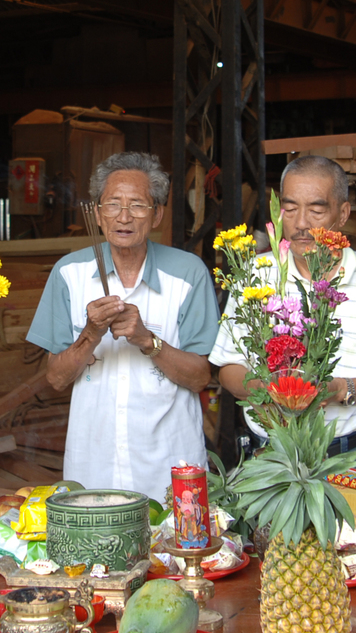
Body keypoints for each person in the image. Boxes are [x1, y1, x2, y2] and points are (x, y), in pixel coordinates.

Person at [209, 155, 356, 473]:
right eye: (290, 209)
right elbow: (227, 368)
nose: (301, 223)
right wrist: (270, 392)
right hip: (270, 459)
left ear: (342, 214)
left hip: (351, 460)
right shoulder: (257, 274)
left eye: (317, 210)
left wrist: (340, 389)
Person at [27, 152, 219, 501]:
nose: (124, 217)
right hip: (93, 466)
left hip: (171, 466)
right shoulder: (68, 274)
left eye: (138, 206)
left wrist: (148, 340)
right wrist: (91, 334)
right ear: (98, 214)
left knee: (173, 554)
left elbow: (200, 377)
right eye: (112, 205)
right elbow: (55, 379)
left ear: (157, 214)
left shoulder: (189, 274)